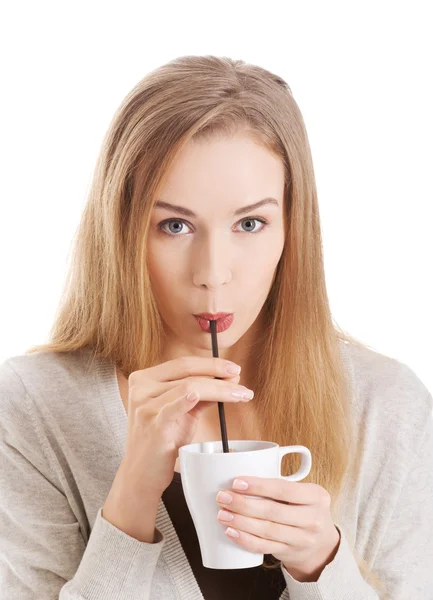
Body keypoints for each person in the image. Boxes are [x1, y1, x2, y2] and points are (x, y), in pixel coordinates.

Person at [1, 55, 432, 600]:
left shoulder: (386, 407)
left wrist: (322, 566)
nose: (212, 275)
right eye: (174, 225)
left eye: (250, 223)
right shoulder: (34, 407)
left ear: (292, 229)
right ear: (123, 229)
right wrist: (132, 498)